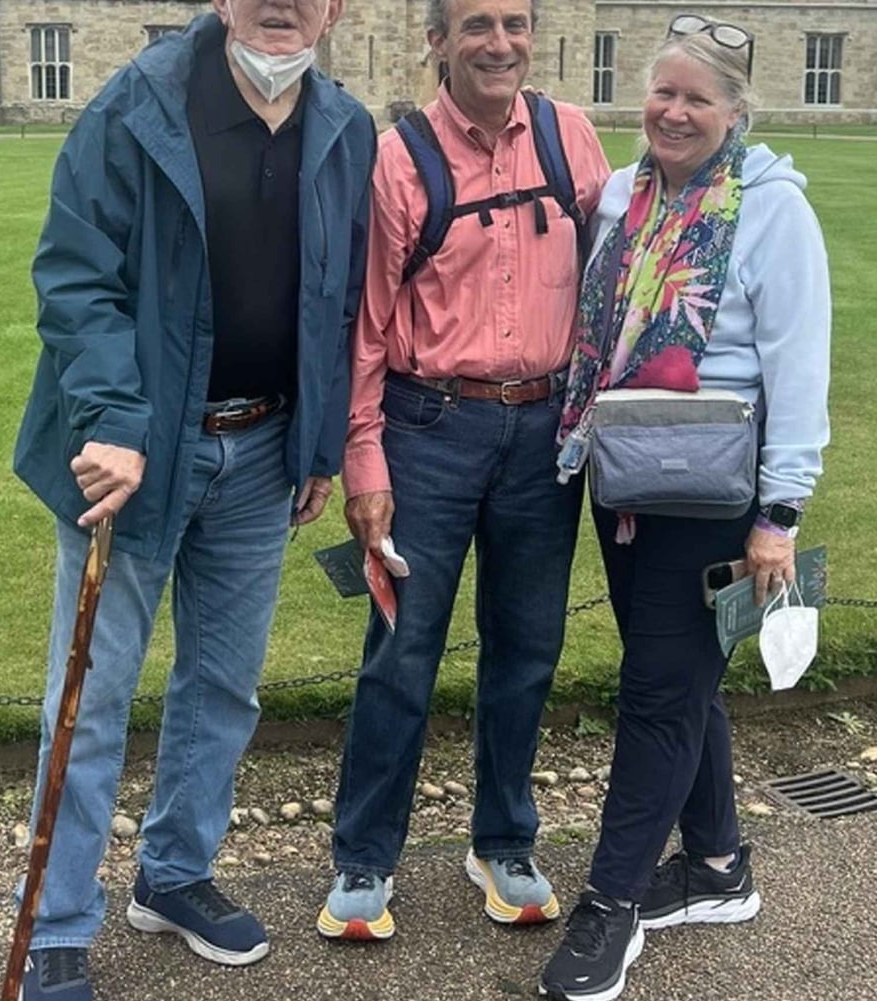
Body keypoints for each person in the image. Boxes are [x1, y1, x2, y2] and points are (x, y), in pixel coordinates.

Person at [9, 3, 374, 997]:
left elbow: (336, 295)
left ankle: (172, 874)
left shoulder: (346, 126)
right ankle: (57, 919)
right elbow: (76, 278)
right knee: (91, 699)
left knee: (223, 686)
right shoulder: (135, 107)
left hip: (261, 450)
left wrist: (316, 440)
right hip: (136, 454)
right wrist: (112, 419)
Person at [536, 15, 831, 1001]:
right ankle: (717, 865)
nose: (673, 111)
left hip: (713, 493)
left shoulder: (773, 210)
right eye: (663, 92)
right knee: (678, 679)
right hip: (624, 480)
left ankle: (610, 905)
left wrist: (778, 517)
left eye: (697, 98)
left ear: (736, 111)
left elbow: (800, 370)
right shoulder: (622, 194)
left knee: (658, 695)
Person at [317, 0, 612, 942]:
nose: (500, 43)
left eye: (515, 23)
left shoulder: (570, 138)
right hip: (428, 429)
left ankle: (505, 841)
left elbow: (618, 279)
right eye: (477, 24)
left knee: (527, 647)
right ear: (437, 41)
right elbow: (366, 325)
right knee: (402, 651)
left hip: (545, 433)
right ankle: (366, 856)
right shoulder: (399, 158)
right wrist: (364, 460)